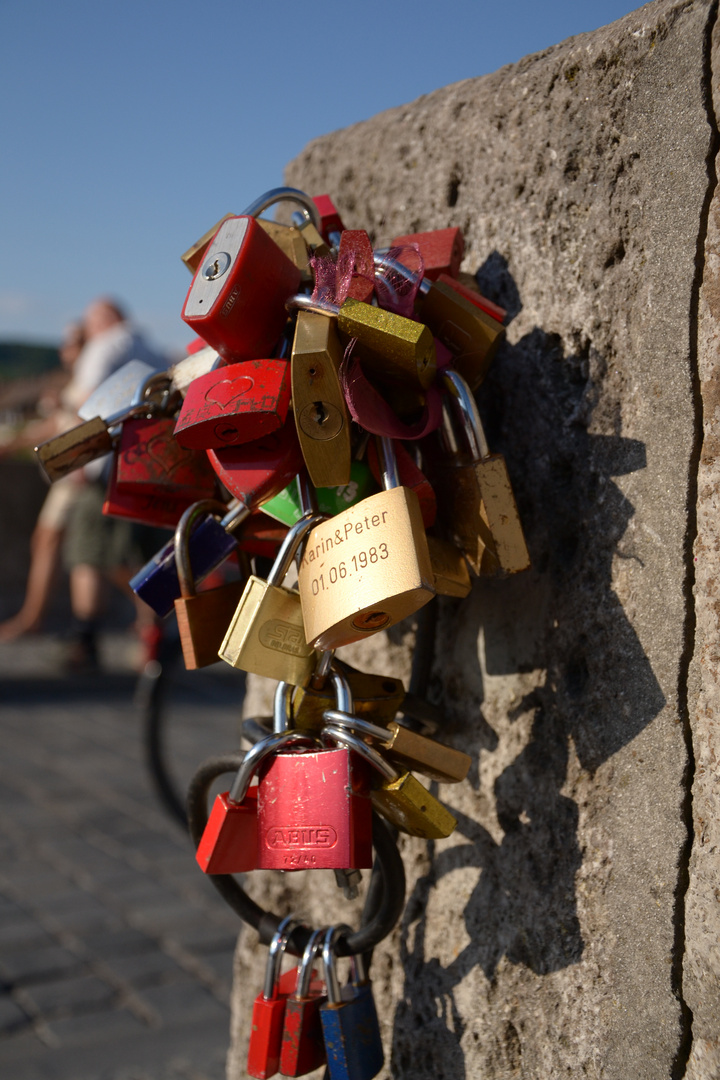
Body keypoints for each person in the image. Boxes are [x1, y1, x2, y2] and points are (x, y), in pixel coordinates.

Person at [60, 298, 169, 670]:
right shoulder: (153, 351)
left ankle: (84, 641)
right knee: (144, 557)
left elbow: (86, 405)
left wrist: (78, 458)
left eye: (90, 323)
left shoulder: (103, 347)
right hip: (149, 467)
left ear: (104, 319)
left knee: (88, 552)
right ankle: (152, 636)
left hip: (105, 467)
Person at [0, 321, 86, 641]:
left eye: (71, 344)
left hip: (77, 475)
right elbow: (53, 426)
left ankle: (32, 619)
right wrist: (13, 444)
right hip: (71, 474)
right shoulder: (73, 381)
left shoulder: (84, 381)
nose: (64, 350)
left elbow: (73, 422)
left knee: (75, 549)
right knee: (73, 549)